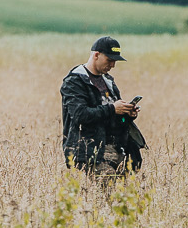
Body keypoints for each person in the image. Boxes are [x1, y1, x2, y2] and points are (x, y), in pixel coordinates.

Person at [61, 35, 143, 179]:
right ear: (96, 55)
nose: (113, 65)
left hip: (117, 149)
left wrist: (127, 115)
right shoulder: (74, 81)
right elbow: (80, 115)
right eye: (109, 60)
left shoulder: (108, 81)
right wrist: (112, 109)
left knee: (124, 191)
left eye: (115, 61)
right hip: (89, 151)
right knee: (108, 186)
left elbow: (115, 119)